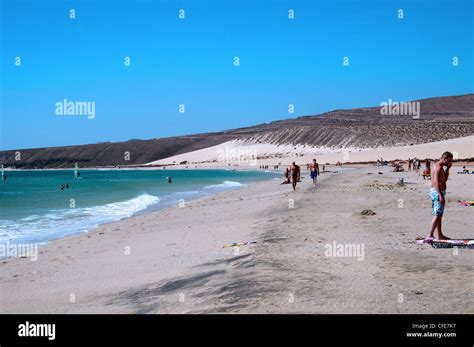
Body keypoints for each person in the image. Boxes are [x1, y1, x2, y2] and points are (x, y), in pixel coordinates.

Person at [426, 152, 453, 241]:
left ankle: (440, 235)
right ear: (444, 159)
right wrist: (440, 195)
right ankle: (430, 234)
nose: (450, 162)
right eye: (449, 160)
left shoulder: (441, 167)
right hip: (437, 192)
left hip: (438, 192)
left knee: (439, 214)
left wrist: (448, 169)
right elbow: (436, 183)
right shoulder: (438, 167)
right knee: (437, 214)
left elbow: (444, 180)